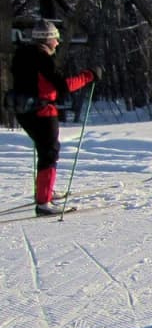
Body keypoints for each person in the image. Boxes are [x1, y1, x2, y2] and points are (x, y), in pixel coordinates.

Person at [8, 20, 100, 216]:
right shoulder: (42, 58)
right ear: (47, 40)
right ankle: (43, 203)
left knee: (45, 150)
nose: (57, 43)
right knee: (49, 152)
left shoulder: (22, 55)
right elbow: (63, 86)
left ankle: (45, 191)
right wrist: (88, 76)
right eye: (56, 39)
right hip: (41, 111)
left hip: (24, 110)